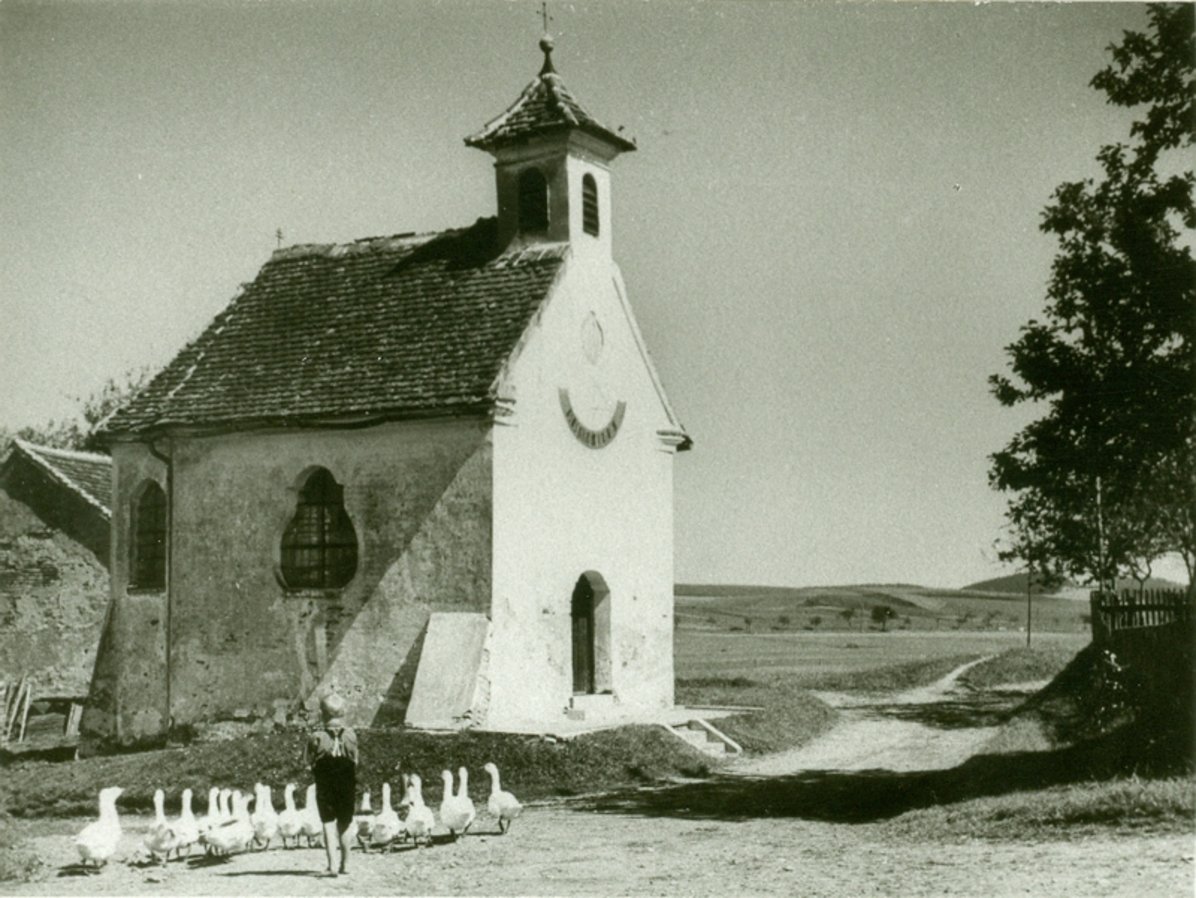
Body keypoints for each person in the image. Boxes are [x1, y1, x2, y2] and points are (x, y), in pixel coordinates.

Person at [304, 692, 358, 876]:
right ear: (343, 713)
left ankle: (332, 865)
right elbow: (355, 760)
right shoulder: (351, 735)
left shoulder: (316, 736)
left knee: (327, 822)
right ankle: (346, 864)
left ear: (322, 714)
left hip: (325, 781)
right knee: (345, 821)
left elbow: (308, 761)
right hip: (346, 781)